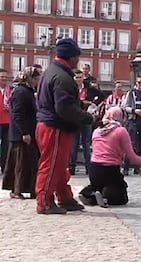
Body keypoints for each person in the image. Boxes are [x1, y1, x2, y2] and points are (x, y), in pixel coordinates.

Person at [35, 38, 93, 214]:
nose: (78, 60)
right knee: (51, 165)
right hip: (56, 127)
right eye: (77, 56)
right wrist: (85, 117)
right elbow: (64, 109)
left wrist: (78, 104)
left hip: (47, 124)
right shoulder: (63, 78)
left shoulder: (50, 72)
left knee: (59, 165)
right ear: (72, 57)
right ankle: (44, 202)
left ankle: (65, 197)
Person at [78, 107, 141, 207]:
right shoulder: (121, 131)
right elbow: (131, 155)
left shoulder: (97, 130)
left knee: (97, 185)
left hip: (94, 168)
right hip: (111, 168)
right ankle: (105, 197)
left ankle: (89, 194)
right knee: (121, 197)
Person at [2, 67, 41, 199]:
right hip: (21, 135)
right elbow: (18, 114)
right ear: (29, 78)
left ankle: (29, 188)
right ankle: (16, 190)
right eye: (36, 79)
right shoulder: (21, 92)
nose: (37, 81)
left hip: (28, 133)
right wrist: (24, 132)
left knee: (29, 163)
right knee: (20, 164)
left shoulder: (28, 91)